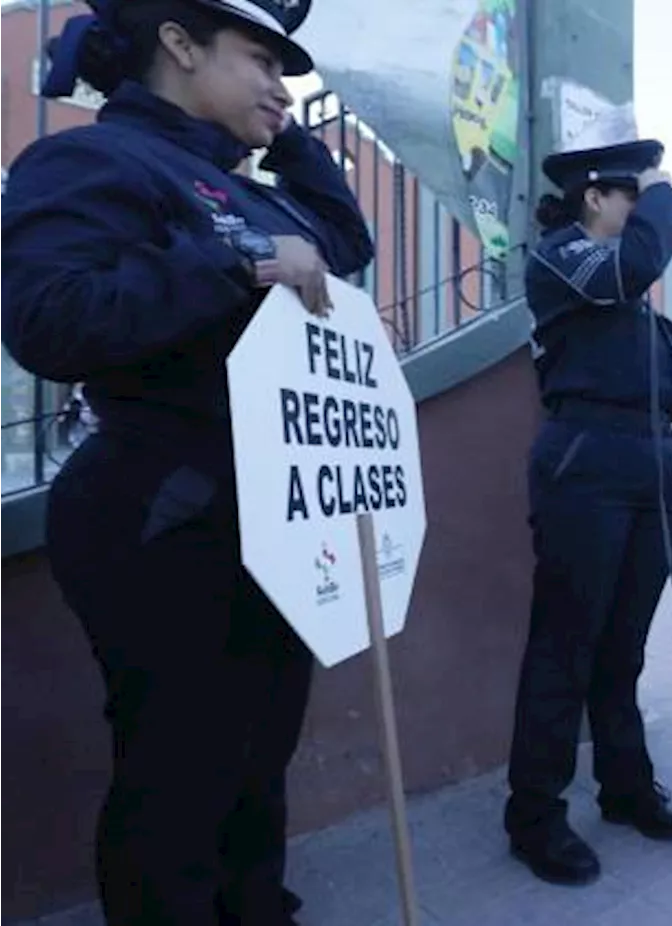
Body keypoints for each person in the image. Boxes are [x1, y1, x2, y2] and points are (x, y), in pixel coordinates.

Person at [0, 2, 374, 923]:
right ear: (178, 42)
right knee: (178, 782)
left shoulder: (240, 179)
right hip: (163, 514)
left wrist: (289, 145)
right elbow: (51, 319)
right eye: (261, 59)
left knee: (257, 761)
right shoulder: (90, 159)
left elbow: (342, 246)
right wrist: (242, 256)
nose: (281, 87)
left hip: (273, 519)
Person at [504, 138, 672, 887]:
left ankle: (625, 789)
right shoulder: (564, 257)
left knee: (622, 652)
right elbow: (634, 262)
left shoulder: (633, 303)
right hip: (585, 470)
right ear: (595, 197)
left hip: (647, 471)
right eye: (636, 196)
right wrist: (667, 194)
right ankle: (534, 817)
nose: (650, 211)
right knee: (564, 650)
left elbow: (649, 409)